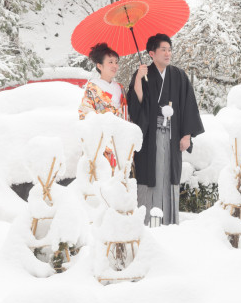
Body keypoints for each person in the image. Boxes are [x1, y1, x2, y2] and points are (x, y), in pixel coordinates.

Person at [127, 33, 204, 225]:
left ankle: (169, 221)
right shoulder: (143, 75)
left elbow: (188, 105)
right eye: (163, 49)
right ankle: (146, 221)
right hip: (150, 137)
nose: (168, 53)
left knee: (169, 175)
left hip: (172, 135)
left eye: (169, 49)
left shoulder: (178, 76)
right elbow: (137, 104)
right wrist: (138, 79)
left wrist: (186, 135)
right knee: (149, 174)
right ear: (151, 53)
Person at [78, 42, 127, 121]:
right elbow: (85, 114)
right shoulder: (92, 88)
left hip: (120, 130)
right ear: (99, 66)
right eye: (110, 62)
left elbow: (126, 113)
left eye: (116, 62)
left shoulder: (120, 87)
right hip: (102, 131)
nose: (115, 66)